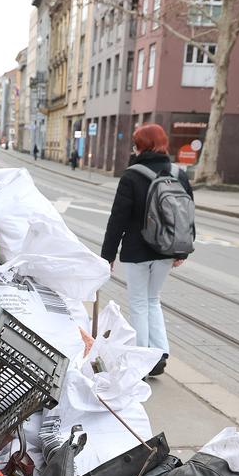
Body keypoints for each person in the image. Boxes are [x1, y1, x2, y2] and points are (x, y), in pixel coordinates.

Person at [101, 123, 194, 377]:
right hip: (166, 249)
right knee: (153, 300)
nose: (133, 147)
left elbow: (118, 219)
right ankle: (160, 353)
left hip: (136, 251)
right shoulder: (178, 173)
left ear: (141, 146)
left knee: (139, 303)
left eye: (135, 143)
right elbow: (186, 215)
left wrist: (107, 255)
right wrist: (181, 251)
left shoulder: (132, 175)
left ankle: (142, 359)